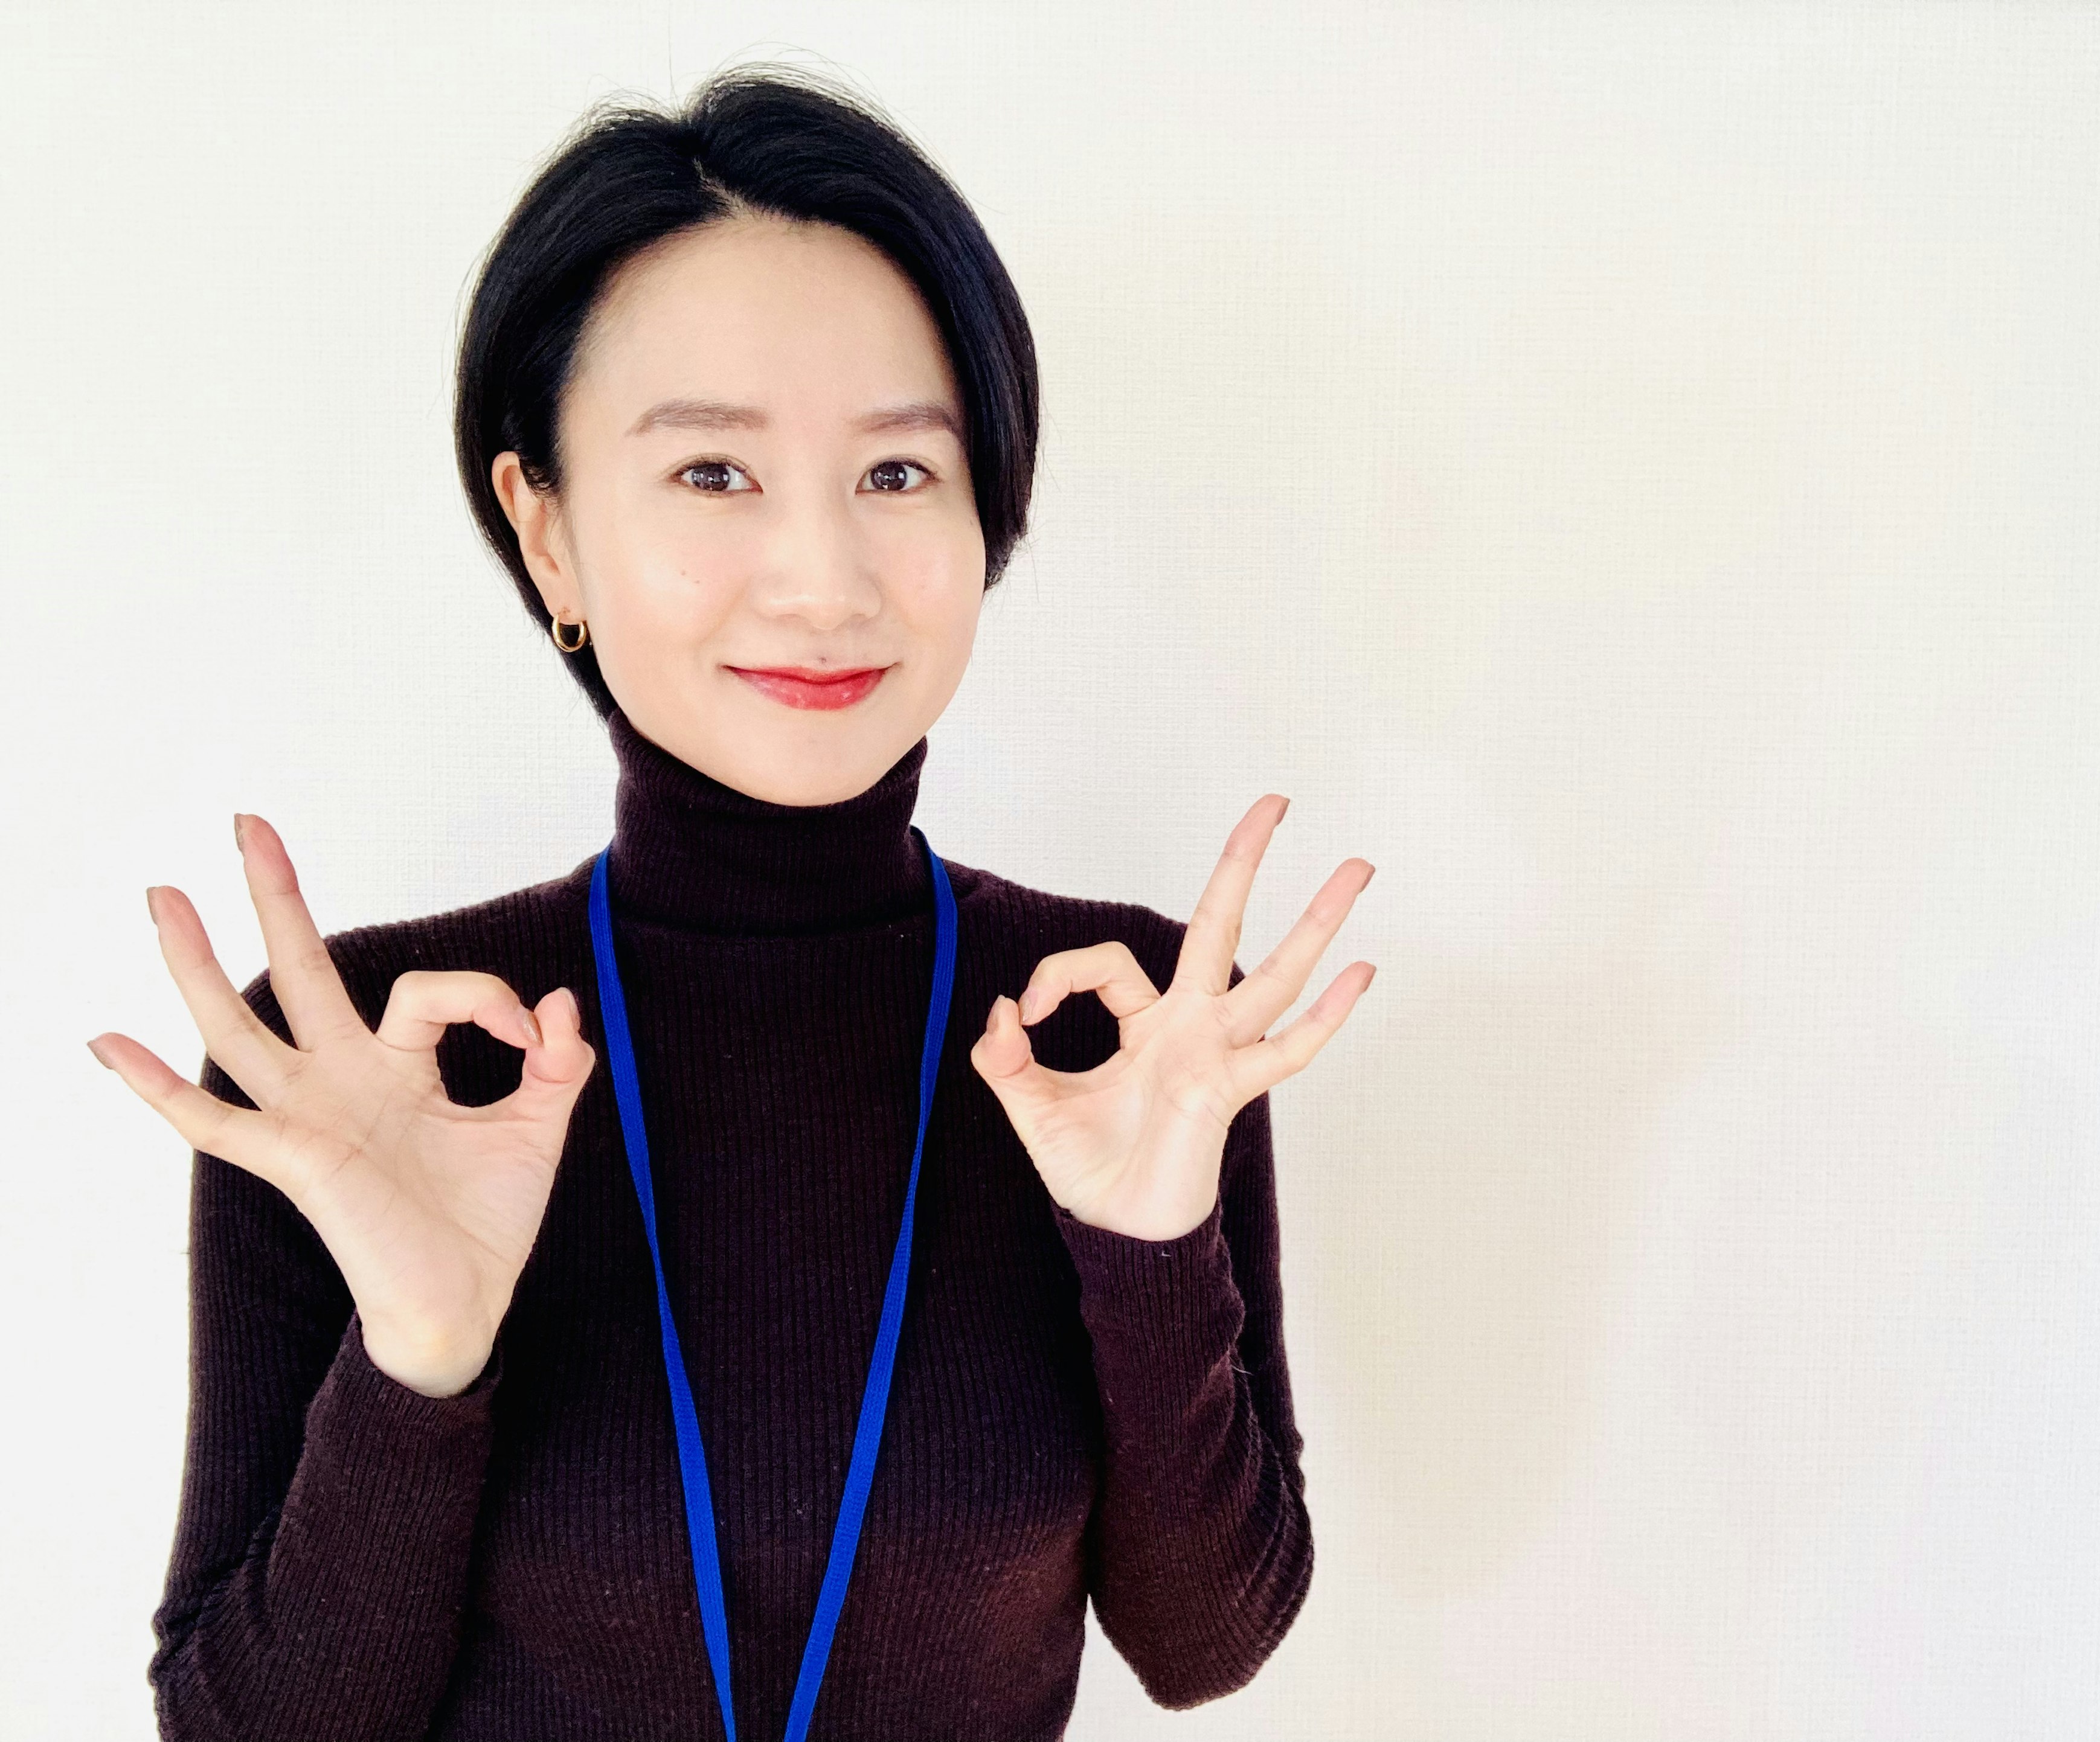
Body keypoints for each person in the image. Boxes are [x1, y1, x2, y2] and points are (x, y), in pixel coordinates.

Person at [86, 63, 1376, 1742]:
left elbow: (1206, 1645)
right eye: (712, 476)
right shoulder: (369, 1061)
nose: (823, 579)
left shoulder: (1115, 1020)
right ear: (544, 532)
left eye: (899, 476)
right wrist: (418, 1352)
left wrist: (1148, 1254)